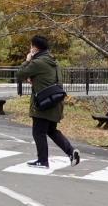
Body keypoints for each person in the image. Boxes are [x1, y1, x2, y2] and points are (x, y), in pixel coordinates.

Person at [15, 35, 80, 168]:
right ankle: (71, 152)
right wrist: (34, 79)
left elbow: (20, 74)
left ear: (35, 48)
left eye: (31, 46)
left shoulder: (37, 62)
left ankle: (43, 161)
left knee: (38, 132)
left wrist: (27, 60)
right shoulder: (54, 62)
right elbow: (47, 79)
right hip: (55, 102)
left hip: (43, 103)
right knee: (51, 130)